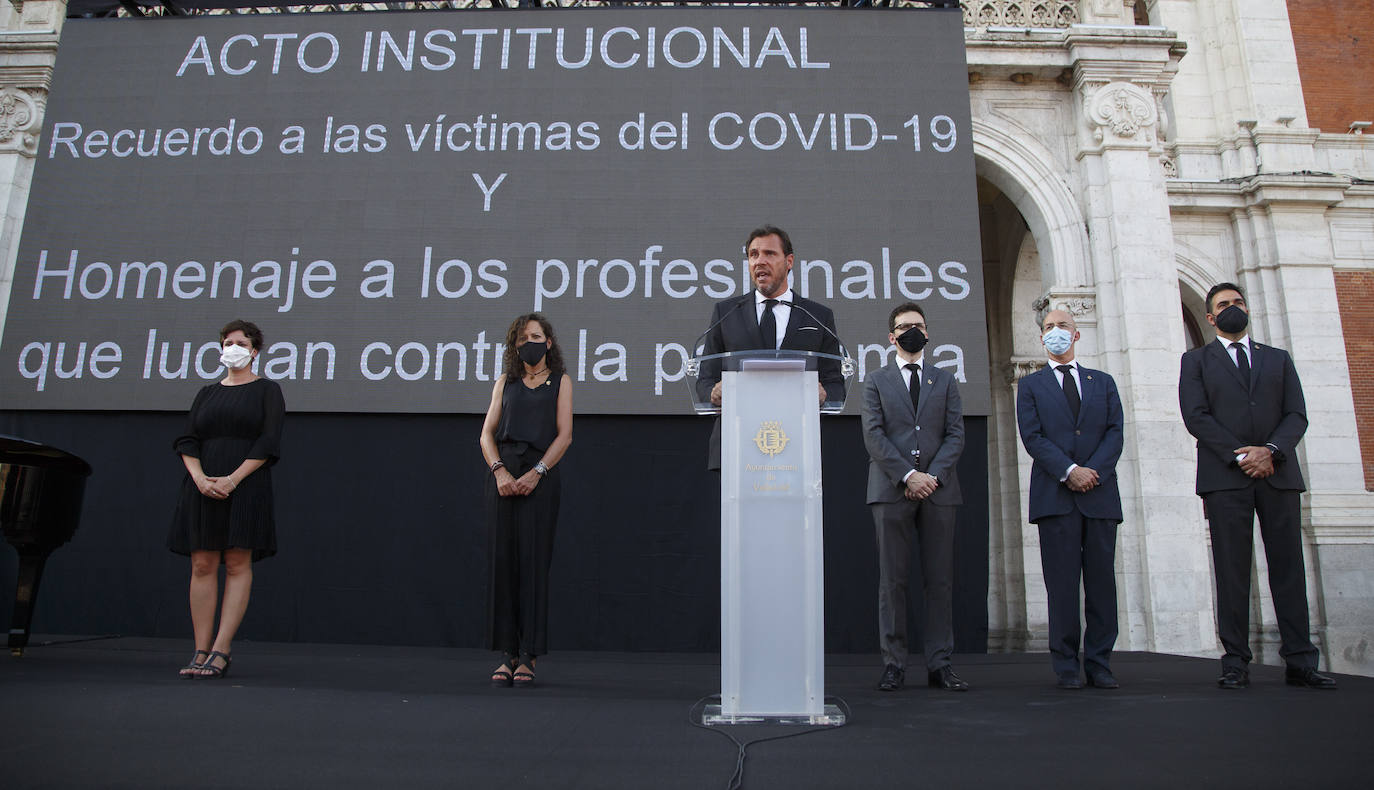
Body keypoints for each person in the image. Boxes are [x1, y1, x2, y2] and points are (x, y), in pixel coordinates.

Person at [1179, 283, 1336, 690]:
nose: (1233, 309)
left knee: (1288, 567)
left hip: (1278, 473)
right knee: (1232, 570)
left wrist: (1270, 451)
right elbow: (1196, 417)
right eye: (1223, 306)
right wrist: (1241, 455)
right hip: (1225, 478)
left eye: (1238, 303)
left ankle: (1300, 660)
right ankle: (1235, 661)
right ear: (1210, 318)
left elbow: (1296, 415)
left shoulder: (1278, 360)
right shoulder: (1195, 361)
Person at [167, 320, 285, 679]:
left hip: (245, 484)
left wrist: (233, 479)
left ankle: (221, 649)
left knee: (236, 563)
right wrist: (201, 478)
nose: (231, 347)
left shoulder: (267, 390)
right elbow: (188, 439)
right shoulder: (206, 392)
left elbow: (268, 442)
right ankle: (200, 649)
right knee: (202, 563)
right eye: (226, 342)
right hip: (202, 486)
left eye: (239, 342)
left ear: (254, 351)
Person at [1015, 309, 1124, 689]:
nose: (1055, 333)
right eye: (1048, 328)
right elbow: (1033, 438)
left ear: (1076, 335)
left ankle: (1100, 664)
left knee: (1101, 585)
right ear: (1041, 338)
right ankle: (1065, 667)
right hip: (1056, 497)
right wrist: (1069, 471)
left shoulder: (1103, 382)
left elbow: (1115, 432)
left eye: (1062, 327)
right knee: (1061, 587)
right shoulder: (1030, 386)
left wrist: (1093, 471)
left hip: (1099, 494)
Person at [861, 303, 967, 692]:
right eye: (904, 327)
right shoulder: (875, 380)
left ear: (928, 333)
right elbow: (873, 435)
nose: (912, 332)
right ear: (891, 336)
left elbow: (955, 434)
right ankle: (894, 664)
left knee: (939, 581)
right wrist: (908, 475)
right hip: (891, 490)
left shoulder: (946, 380)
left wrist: (931, 477)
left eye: (918, 326)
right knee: (893, 582)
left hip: (939, 492)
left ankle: (940, 664)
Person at [697, 225, 845, 469]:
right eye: (753, 255)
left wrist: (824, 395)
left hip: (798, 446)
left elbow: (835, 384)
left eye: (769, 254)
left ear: (789, 261)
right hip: (737, 444)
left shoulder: (817, 316)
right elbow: (704, 381)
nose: (759, 261)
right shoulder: (726, 313)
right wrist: (712, 393)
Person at [479, 313, 573, 688]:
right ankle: (507, 653)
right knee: (504, 564)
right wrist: (500, 472)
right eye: (521, 339)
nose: (528, 343)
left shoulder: (560, 382)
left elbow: (564, 436)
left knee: (533, 564)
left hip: (541, 477)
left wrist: (537, 473)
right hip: (502, 478)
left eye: (535, 336)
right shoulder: (506, 382)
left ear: (548, 342)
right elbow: (486, 434)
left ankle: (529, 656)